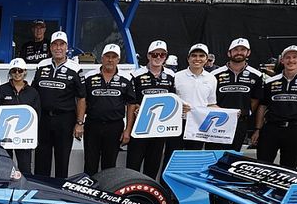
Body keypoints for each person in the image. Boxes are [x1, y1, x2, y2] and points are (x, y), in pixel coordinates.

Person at [252, 45, 297, 168]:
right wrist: (258, 130)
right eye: (288, 57)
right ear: (282, 60)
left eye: (295, 57)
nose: (291, 60)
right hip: (271, 129)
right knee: (262, 166)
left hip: (295, 130)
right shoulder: (270, 82)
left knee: (289, 169)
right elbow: (262, 106)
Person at [31, 30, 84, 178]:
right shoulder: (41, 65)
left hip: (65, 120)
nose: (58, 48)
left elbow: (81, 98)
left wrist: (79, 123)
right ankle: (40, 190)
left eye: (61, 44)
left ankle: (60, 193)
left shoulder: (75, 68)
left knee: (62, 159)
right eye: (55, 44)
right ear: (50, 47)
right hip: (43, 120)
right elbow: (33, 92)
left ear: (66, 47)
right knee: (41, 159)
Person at [80, 44, 133, 175]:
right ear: (102, 58)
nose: (110, 60)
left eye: (114, 57)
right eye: (107, 57)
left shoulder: (127, 78)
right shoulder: (89, 76)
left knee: (109, 165)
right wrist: (79, 123)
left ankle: (106, 192)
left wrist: (128, 130)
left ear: (118, 59)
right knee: (90, 163)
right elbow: (82, 101)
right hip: (93, 125)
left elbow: (131, 104)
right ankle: (87, 193)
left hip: (114, 127)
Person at [125, 40, 175, 178]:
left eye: (162, 55)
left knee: (152, 169)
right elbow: (130, 102)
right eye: (155, 54)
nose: (158, 57)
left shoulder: (171, 76)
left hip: (159, 130)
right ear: (148, 56)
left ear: (165, 56)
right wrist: (137, 108)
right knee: (132, 167)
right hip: (140, 128)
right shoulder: (136, 75)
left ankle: (148, 197)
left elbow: (174, 100)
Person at [0, 57, 40, 175]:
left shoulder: (33, 92)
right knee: (5, 168)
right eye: (14, 71)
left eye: (20, 70)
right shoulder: (1, 90)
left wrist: (34, 136)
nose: (17, 73)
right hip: (4, 137)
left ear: (25, 72)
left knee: (25, 169)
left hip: (24, 137)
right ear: (10, 73)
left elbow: (37, 115)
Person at [213, 38, 263, 152]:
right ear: (229, 53)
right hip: (217, 122)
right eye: (235, 49)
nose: (239, 52)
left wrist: (246, 112)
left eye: (243, 49)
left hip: (240, 123)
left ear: (248, 52)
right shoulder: (215, 74)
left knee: (233, 154)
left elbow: (256, 99)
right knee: (214, 154)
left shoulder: (256, 75)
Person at [169, 43, 219, 155]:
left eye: (201, 56)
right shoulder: (176, 77)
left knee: (193, 156)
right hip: (177, 123)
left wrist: (230, 114)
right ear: (188, 58)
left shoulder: (212, 79)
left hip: (199, 124)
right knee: (171, 156)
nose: (197, 59)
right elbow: (169, 100)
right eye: (194, 55)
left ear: (206, 59)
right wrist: (178, 106)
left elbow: (211, 104)